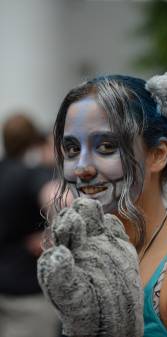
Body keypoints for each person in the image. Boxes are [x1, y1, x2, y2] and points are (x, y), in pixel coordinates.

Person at [38, 72, 167, 337]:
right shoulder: (89, 254)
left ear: (157, 155)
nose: (81, 168)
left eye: (105, 146)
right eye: (71, 150)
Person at [0, 114, 59, 337]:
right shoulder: (32, 175)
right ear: (35, 140)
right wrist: (54, 233)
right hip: (27, 295)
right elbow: (54, 197)